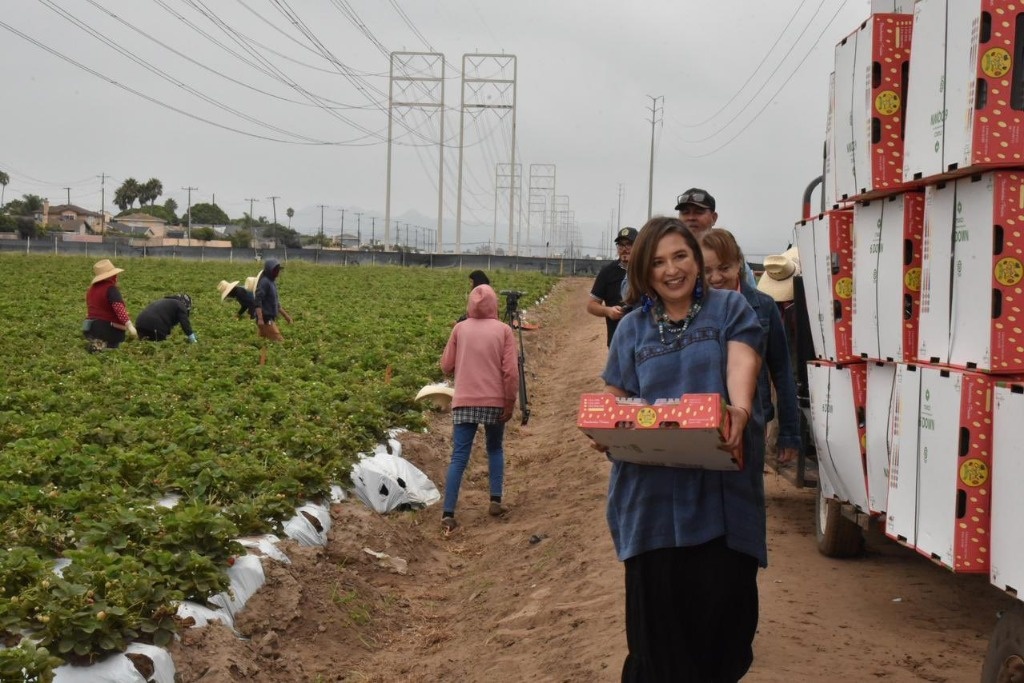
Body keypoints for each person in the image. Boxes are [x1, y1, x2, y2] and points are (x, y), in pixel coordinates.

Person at [600, 216, 764, 682]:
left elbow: (741, 359)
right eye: (657, 262)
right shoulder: (632, 329)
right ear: (643, 273)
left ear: (696, 258)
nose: (672, 270)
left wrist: (741, 409)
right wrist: (603, 423)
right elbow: (616, 394)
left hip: (720, 498)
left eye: (680, 256)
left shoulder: (729, 308)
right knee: (657, 647)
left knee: (722, 636)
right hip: (649, 503)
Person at [702, 229, 801, 467]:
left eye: (724, 268)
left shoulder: (764, 307)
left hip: (752, 421)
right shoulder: (692, 309)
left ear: (739, 264)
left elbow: (782, 371)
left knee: (744, 496)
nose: (715, 277)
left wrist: (789, 432)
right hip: (701, 419)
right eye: (707, 271)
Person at [439, 283, 519, 535]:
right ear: (494, 304)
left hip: (464, 400)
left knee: (459, 457)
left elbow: (445, 366)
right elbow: (510, 372)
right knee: (494, 448)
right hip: (495, 401)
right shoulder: (504, 330)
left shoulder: (459, 329)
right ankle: (495, 500)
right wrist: (510, 401)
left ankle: (448, 513)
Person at [675, 187, 757, 288]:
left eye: (699, 212)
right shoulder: (670, 254)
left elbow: (751, 297)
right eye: (685, 212)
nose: (691, 217)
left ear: (714, 218)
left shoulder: (728, 251)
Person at [587, 226, 637, 346]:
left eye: (629, 244)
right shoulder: (607, 272)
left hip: (644, 340)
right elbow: (591, 305)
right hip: (618, 342)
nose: (624, 249)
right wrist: (608, 311)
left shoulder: (647, 270)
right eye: (620, 245)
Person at [83, 259, 137, 350]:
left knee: (97, 348)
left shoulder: (91, 290)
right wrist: (130, 326)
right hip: (108, 329)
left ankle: (97, 345)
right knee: (112, 348)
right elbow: (119, 309)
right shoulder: (111, 289)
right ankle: (106, 346)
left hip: (91, 328)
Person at [254, 258, 292, 342]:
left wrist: (286, 316)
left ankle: (261, 354)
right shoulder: (265, 282)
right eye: (276, 270)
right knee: (280, 341)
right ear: (270, 271)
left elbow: (276, 304)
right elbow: (258, 300)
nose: (278, 272)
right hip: (265, 319)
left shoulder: (272, 282)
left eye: (278, 270)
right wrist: (260, 319)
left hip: (268, 319)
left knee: (262, 342)